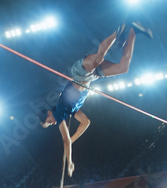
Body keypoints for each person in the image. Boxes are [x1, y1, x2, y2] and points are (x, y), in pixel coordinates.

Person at [41, 21, 153, 176]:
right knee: (123, 67)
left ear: (48, 113)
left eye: (48, 122)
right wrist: (73, 139)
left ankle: (118, 30)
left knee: (98, 59)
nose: (52, 123)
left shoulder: (59, 113)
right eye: (49, 125)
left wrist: (70, 162)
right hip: (92, 77)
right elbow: (86, 123)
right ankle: (134, 30)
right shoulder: (70, 110)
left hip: (80, 72)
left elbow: (65, 141)